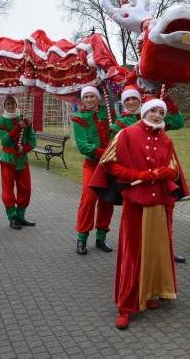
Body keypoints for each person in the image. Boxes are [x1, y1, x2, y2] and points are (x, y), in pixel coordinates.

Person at [89, 98, 189, 330]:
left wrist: (166, 172)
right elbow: (108, 164)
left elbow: (174, 171)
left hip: (159, 204)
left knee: (156, 249)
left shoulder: (166, 140)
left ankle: (149, 293)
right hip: (135, 201)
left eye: (160, 112)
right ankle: (126, 305)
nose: (156, 115)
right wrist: (137, 175)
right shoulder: (126, 135)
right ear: (144, 112)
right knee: (132, 252)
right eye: (152, 110)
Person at [110, 85, 187, 263]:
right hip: (134, 185)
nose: (157, 115)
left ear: (139, 101)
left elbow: (177, 123)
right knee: (134, 231)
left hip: (159, 185)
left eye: (134, 99)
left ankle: (166, 248)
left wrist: (166, 100)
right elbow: (112, 161)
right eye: (127, 99)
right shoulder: (122, 127)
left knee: (165, 220)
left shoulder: (163, 134)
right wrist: (136, 175)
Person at [71, 85, 115, 255]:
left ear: (98, 97)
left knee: (107, 201)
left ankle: (101, 237)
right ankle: (82, 238)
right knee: (88, 201)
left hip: (109, 166)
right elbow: (83, 146)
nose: (89, 99)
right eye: (86, 97)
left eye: (92, 96)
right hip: (92, 165)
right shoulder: (79, 118)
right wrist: (105, 153)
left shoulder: (109, 114)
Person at [0, 95, 38, 230]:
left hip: (22, 160)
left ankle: (20, 215)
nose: (11, 106)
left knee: (26, 188)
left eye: (13, 103)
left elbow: (33, 140)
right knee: (8, 189)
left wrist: (25, 148)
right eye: (8, 104)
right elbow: (5, 140)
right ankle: (11, 217)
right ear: (4, 106)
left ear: (16, 105)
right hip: (8, 160)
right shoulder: (1, 121)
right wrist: (17, 127)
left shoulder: (24, 120)